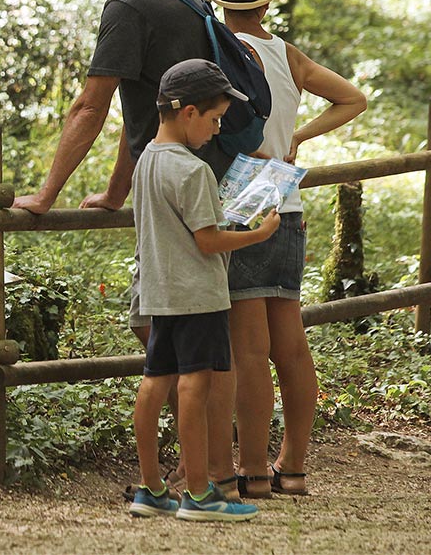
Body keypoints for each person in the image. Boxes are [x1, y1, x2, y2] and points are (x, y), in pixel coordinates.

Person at [13, 0, 236, 495]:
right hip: (205, 175)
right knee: (193, 329)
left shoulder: (126, 6)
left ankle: (196, 474)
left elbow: (93, 104)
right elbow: (145, 113)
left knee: (167, 331)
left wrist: (44, 194)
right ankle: (208, 468)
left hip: (176, 185)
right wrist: (115, 192)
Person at [207, 0, 367, 498]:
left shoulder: (219, 51)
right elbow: (353, 98)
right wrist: (298, 135)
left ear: (221, 2)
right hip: (287, 205)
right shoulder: (286, 55)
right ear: (267, 3)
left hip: (241, 209)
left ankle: (251, 470)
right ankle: (292, 465)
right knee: (291, 346)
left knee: (247, 350)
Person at [128, 59, 278, 522]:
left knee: (155, 383)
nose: (216, 130)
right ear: (188, 112)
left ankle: (151, 488)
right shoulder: (194, 171)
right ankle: (198, 493)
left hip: (160, 291)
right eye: (214, 119)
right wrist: (259, 232)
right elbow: (207, 241)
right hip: (198, 294)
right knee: (196, 385)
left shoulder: (146, 161)